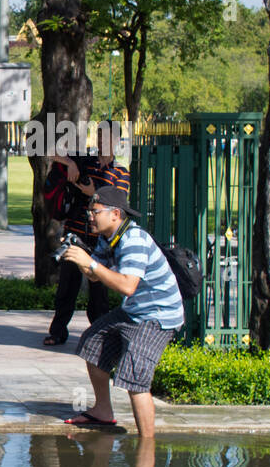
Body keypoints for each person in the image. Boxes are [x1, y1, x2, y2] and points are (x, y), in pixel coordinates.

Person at [62, 185, 184, 437]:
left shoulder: (133, 241)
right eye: (89, 212)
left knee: (135, 376)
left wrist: (91, 264)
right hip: (135, 311)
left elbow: (128, 285)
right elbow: (96, 277)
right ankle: (103, 412)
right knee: (92, 343)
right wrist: (79, 258)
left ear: (115, 214)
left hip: (158, 316)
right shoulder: (108, 238)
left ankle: (146, 446)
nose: (90, 217)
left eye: (95, 212)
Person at [43, 134, 130, 346]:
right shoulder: (86, 161)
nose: (102, 143)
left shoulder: (121, 172)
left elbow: (119, 202)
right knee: (67, 286)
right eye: (100, 137)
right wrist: (71, 163)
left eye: (108, 139)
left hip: (101, 239)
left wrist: (94, 193)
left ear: (117, 142)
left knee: (99, 290)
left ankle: (100, 333)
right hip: (76, 233)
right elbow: (49, 151)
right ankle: (58, 332)